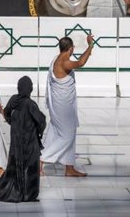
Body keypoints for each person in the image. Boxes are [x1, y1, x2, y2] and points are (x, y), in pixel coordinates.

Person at [40, 35, 94, 177]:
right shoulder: (64, 62)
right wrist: (90, 46)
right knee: (67, 136)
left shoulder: (56, 59)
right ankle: (41, 159)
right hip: (62, 106)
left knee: (55, 134)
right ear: (71, 49)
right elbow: (81, 62)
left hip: (62, 105)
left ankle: (69, 168)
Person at [0, 76, 46, 202]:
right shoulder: (30, 104)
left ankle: (9, 190)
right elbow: (41, 120)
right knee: (30, 167)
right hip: (30, 142)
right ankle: (28, 194)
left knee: (15, 165)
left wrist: (12, 123)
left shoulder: (14, 99)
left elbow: (5, 112)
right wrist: (39, 131)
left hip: (16, 141)